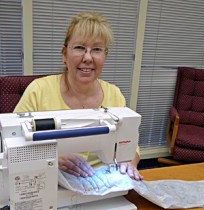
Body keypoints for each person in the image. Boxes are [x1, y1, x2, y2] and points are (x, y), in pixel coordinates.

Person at [14, 12, 143, 181]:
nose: (88, 58)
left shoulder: (115, 95)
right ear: (64, 55)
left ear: (105, 56)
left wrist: (130, 163)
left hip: (102, 184)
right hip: (48, 181)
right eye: (79, 48)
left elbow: (131, 146)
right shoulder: (38, 91)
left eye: (96, 50)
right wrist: (51, 160)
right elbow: (13, 145)